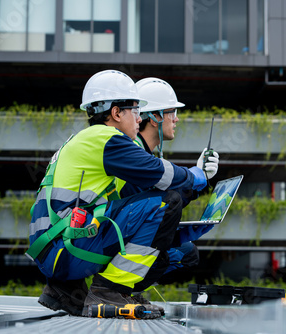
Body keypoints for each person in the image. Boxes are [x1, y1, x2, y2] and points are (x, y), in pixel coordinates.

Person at [26, 69, 215, 318]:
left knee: (167, 212)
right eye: (136, 111)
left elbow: (137, 199)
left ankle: (68, 289)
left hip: (56, 249)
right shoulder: (107, 138)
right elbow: (158, 174)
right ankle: (109, 291)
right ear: (116, 113)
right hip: (65, 249)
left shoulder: (87, 140)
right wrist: (197, 176)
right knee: (166, 203)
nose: (139, 119)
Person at [117, 77, 219, 295]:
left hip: (120, 233)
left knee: (187, 251)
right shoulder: (134, 153)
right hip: (114, 237)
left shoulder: (140, 151)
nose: (177, 119)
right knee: (170, 251)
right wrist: (197, 176)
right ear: (155, 117)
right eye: (172, 112)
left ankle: (124, 288)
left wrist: (196, 182)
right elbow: (151, 207)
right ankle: (118, 289)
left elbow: (154, 203)